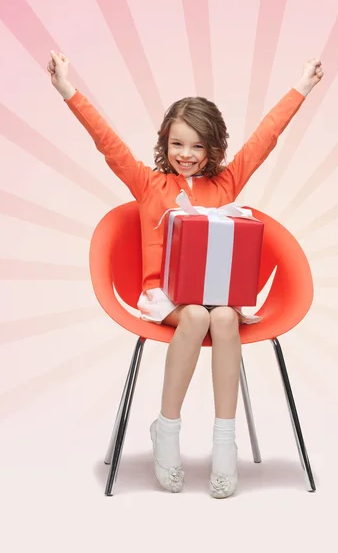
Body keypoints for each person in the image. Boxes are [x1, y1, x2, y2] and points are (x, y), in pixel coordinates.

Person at [47, 50, 323, 498]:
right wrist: (66, 88)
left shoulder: (226, 184)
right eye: (178, 144)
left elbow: (264, 139)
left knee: (224, 316)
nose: (187, 155)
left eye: (198, 146)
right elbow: (106, 140)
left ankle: (224, 440)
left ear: (213, 148)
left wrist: (303, 88)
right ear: (165, 143)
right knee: (195, 315)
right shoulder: (149, 184)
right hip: (168, 298)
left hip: (220, 296)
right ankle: (167, 430)